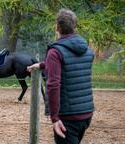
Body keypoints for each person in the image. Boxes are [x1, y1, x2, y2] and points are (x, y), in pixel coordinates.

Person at [27, 9, 94, 144]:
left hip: (67, 117)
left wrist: (55, 118)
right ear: (75, 27)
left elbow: (53, 86)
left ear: (57, 27)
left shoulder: (55, 52)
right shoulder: (86, 48)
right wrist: (43, 64)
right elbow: (71, 64)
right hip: (86, 113)